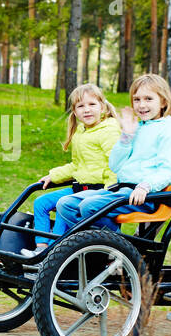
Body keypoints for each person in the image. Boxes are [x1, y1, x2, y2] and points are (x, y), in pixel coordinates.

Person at [50, 73, 171, 242]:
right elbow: (115, 165)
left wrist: (145, 187)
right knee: (65, 205)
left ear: (163, 101)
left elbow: (167, 171)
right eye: (137, 100)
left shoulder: (168, 129)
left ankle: (117, 248)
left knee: (89, 207)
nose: (142, 105)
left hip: (144, 194)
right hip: (121, 189)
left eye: (148, 99)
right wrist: (126, 136)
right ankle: (102, 246)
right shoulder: (137, 127)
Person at [22, 84, 119, 257]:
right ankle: (41, 248)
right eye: (81, 106)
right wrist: (53, 176)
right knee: (41, 203)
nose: (86, 110)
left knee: (63, 205)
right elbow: (76, 165)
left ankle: (53, 255)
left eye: (92, 104)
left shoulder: (109, 131)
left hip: (99, 191)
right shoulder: (81, 132)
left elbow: (116, 164)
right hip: (79, 188)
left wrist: (112, 192)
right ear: (74, 111)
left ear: (102, 107)